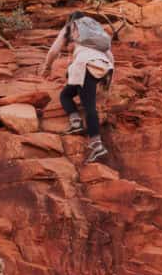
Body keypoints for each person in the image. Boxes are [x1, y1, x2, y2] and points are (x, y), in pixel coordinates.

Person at [40, 11, 114, 163]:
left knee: (88, 106)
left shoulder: (71, 27)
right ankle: (76, 123)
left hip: (85, 65)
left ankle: (97, 145)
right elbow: (110, 55)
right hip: (103, 66)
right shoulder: (95, 30)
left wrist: (47, 67)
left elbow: (54, 50)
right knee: (67, 94)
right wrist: (109, 78)